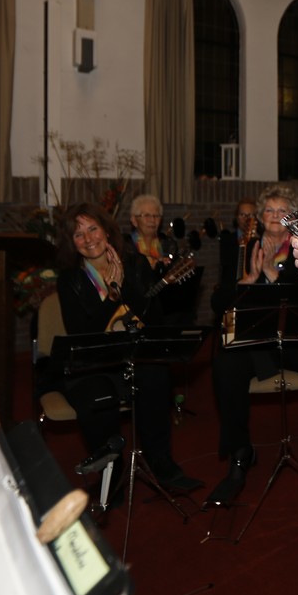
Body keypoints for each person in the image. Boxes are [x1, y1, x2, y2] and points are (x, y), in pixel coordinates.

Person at [50, 202, 202, 492]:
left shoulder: (136, 264)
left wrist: (125, 286)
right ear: (72, 243)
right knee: (96, 397)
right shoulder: (70, 279)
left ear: (106, 231)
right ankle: (111, 473)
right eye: (78, 234)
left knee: (156, 376)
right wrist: (111, 296)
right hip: (95, 364)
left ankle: (161, 464)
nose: (88, 238)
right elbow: (82, 334)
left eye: (93, 229)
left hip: (134, 356)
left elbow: (153, 317)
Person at [204, 186, 298, 505]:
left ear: (292, 217)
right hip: (257, 342)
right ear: (260, 216)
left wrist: (270, 273)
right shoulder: (244, 247)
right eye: (269, 210)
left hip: (296, 340)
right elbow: (218, 302)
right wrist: (247, 282)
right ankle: (240, 454)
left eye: (282, 211)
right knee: (226, 365)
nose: (275, 216)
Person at [126, 193, 198, 324]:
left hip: (166, 312)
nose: (152, 220)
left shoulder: (168, 244)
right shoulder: (126, 246)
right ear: (134, 220)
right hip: (135, 312)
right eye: (146, 215)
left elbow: (177, 280)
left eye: (156, 215)